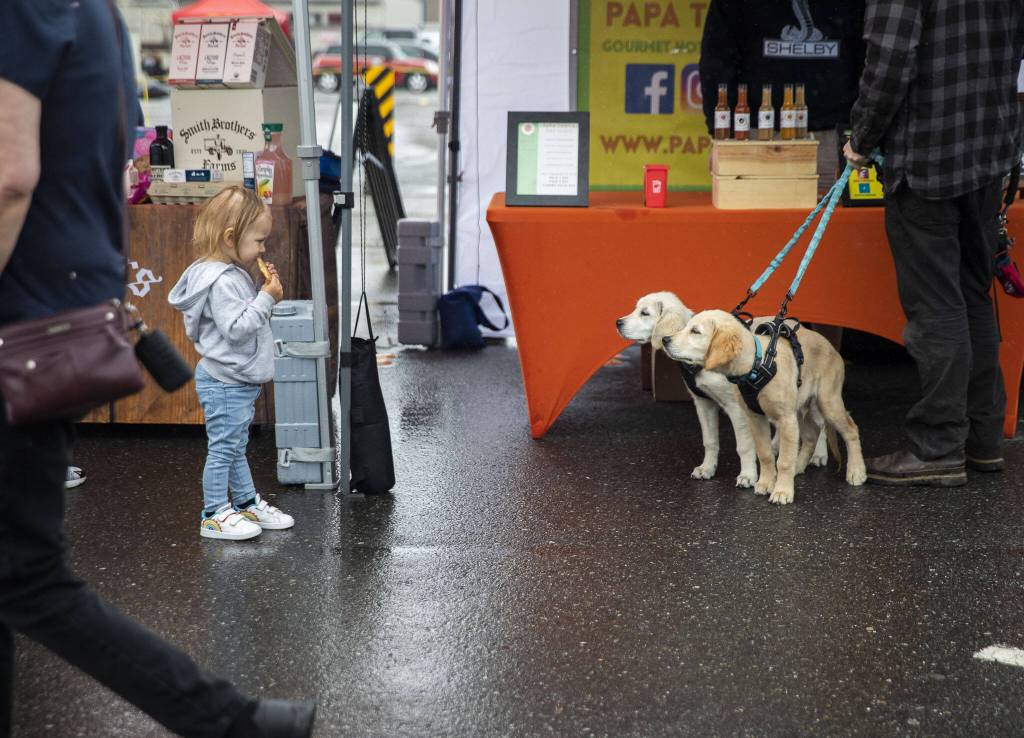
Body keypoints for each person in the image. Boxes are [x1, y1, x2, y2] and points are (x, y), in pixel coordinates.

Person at [0, 1, 314, 735]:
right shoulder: (95, 15)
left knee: (28, 578)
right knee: (19, 577)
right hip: (56, 326)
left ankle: (233, 722)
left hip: (19, 333)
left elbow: (11, 175)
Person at [844, 1, 1023, 486]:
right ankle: (982, 444)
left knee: (938, 307)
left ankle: (939, 447)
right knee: (972, 297)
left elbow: (889, 58)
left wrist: (861, 137)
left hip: (929, 155)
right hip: (990, 151)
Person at [168, 186, 295, 541]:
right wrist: (266, 299)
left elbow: (235, 314)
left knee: (235, 445)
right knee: (224, 448)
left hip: (232, 379)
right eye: (258, 241)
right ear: (230, 237)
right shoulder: (222, 280)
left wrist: (259, 288)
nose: (263, 248)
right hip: (226, 382)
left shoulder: (224, 271)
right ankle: (213, 513)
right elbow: (237, 328)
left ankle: (243, 502)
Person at [700, 0, 866, 197]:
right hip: (755, 137)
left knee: (843, 224)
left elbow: (869, 63)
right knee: (750, 223)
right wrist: (722, 138)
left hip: (835, 140)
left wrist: (863, 134)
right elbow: (716, 65)